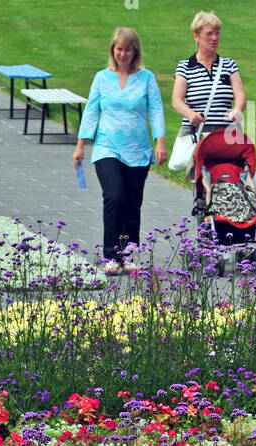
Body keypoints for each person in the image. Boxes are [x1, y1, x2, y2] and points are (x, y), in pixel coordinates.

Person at [73, 27, 167, 275]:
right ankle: (111, 255)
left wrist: (160, 141)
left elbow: (156, 110)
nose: (123, 53)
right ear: (112, 51)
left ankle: (129, 252)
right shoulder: (102, 78)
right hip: (107, 147)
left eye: (127, 49)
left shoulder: (146, 78)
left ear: (135, 52)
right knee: (114, 196)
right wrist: (81, 144)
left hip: (137, 150)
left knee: (132, 202)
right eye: (119, 49)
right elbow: (92, 110)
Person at [172, 11, 245, 151]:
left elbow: (240, 95)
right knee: (197, 172)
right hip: (196, 134)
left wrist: (237, 110)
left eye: (217, 33)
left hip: (224, 134)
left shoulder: (229, 65)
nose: (214, 38)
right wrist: (190, 114)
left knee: (224, 172)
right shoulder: (185, 67)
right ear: (196, 36)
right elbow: (176, 100)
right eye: (209, 33)